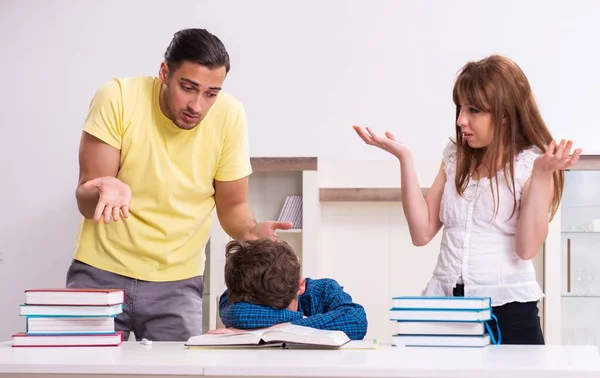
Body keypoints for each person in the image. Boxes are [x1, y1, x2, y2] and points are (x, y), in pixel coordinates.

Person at [66, 28, 292, 342]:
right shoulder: (117, 97)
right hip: (100, 273)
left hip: (177, 283)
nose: (196, 106)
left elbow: (233, 205)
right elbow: (85, 200)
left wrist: (251, 233)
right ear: (164, 73)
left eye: (211, 93)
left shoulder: (230, 116)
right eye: (188, 88)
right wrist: (105, 190)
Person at [353, 55, 582, 345]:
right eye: (460, 108)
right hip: (446, 307)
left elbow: (526, 249)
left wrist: (540, 176)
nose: (461, 120)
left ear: (504, 115)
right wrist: (405, 158)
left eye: (473, 110)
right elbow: (421, 233)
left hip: (508, 312)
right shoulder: (455, 156)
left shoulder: (532, 166)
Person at [210, 238, 368, 340]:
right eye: (269, 312)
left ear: (301, 286)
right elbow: (240, 315)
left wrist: (284, 327)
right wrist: (298, 320)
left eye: (282, 310)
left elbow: (357, 321)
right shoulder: (237, 291)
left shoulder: (324, 291)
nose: (273, 317)